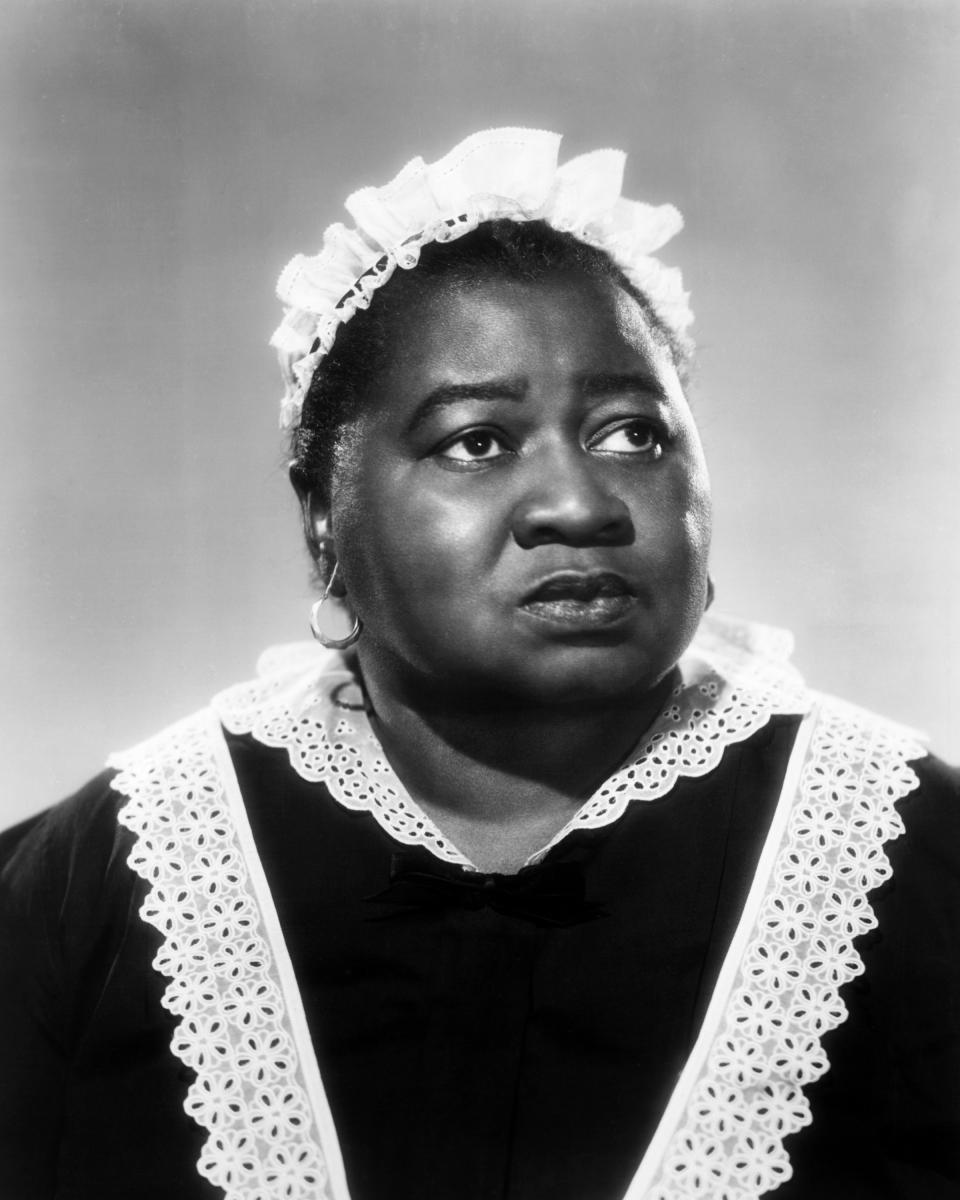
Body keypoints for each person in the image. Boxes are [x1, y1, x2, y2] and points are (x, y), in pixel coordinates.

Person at [0, 127, 958, 1200]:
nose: (579, 505)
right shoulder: (96, 881)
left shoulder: (914, 854)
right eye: (476, 442)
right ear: (322, 512)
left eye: (633, 434)